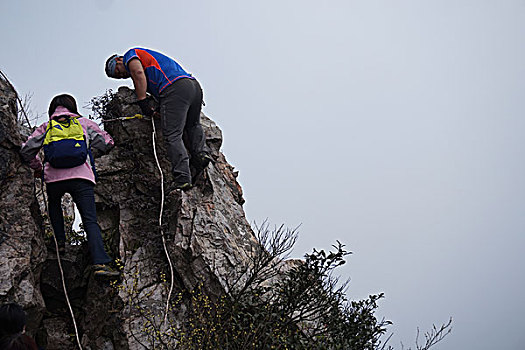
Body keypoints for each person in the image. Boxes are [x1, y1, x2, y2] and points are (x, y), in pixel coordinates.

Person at [20, 94, 119, 278]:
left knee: (55, 206)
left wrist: (37, 167)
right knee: (90, 220)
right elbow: (107, 143)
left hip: (54, 179)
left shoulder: (47, 126)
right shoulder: (83, 123)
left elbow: (26, 150)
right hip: (82, 178)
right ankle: (100, 263)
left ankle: (59, 243)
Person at [105, 47, 212, 191]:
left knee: (172, 135)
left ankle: (182, 179)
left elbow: (138, 73)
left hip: (174, 88)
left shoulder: (131, 55)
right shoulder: (152, 66)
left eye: (118, 71)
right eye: (118, 77)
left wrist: (142, 101)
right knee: (192, 124)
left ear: (119, 59)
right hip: (193, 86)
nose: (122, 75)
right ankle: (201, 154)